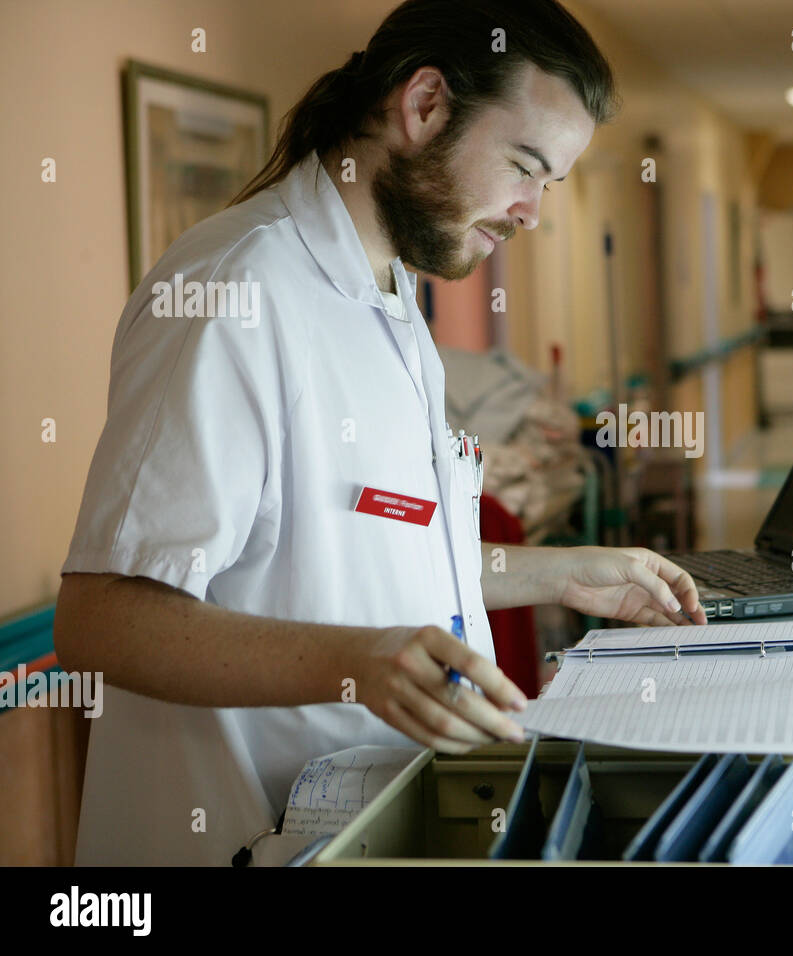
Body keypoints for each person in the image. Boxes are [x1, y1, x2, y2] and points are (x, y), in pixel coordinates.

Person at [53, 0, 704, 866]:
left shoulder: (391, 303)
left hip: (376, 819)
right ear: (426, 105)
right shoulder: (234, 293)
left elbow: (374, 562)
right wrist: (359, 662)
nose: (532, 211)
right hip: (246, 836)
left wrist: (577, 573)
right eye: (524, 165)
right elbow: (101, 620)